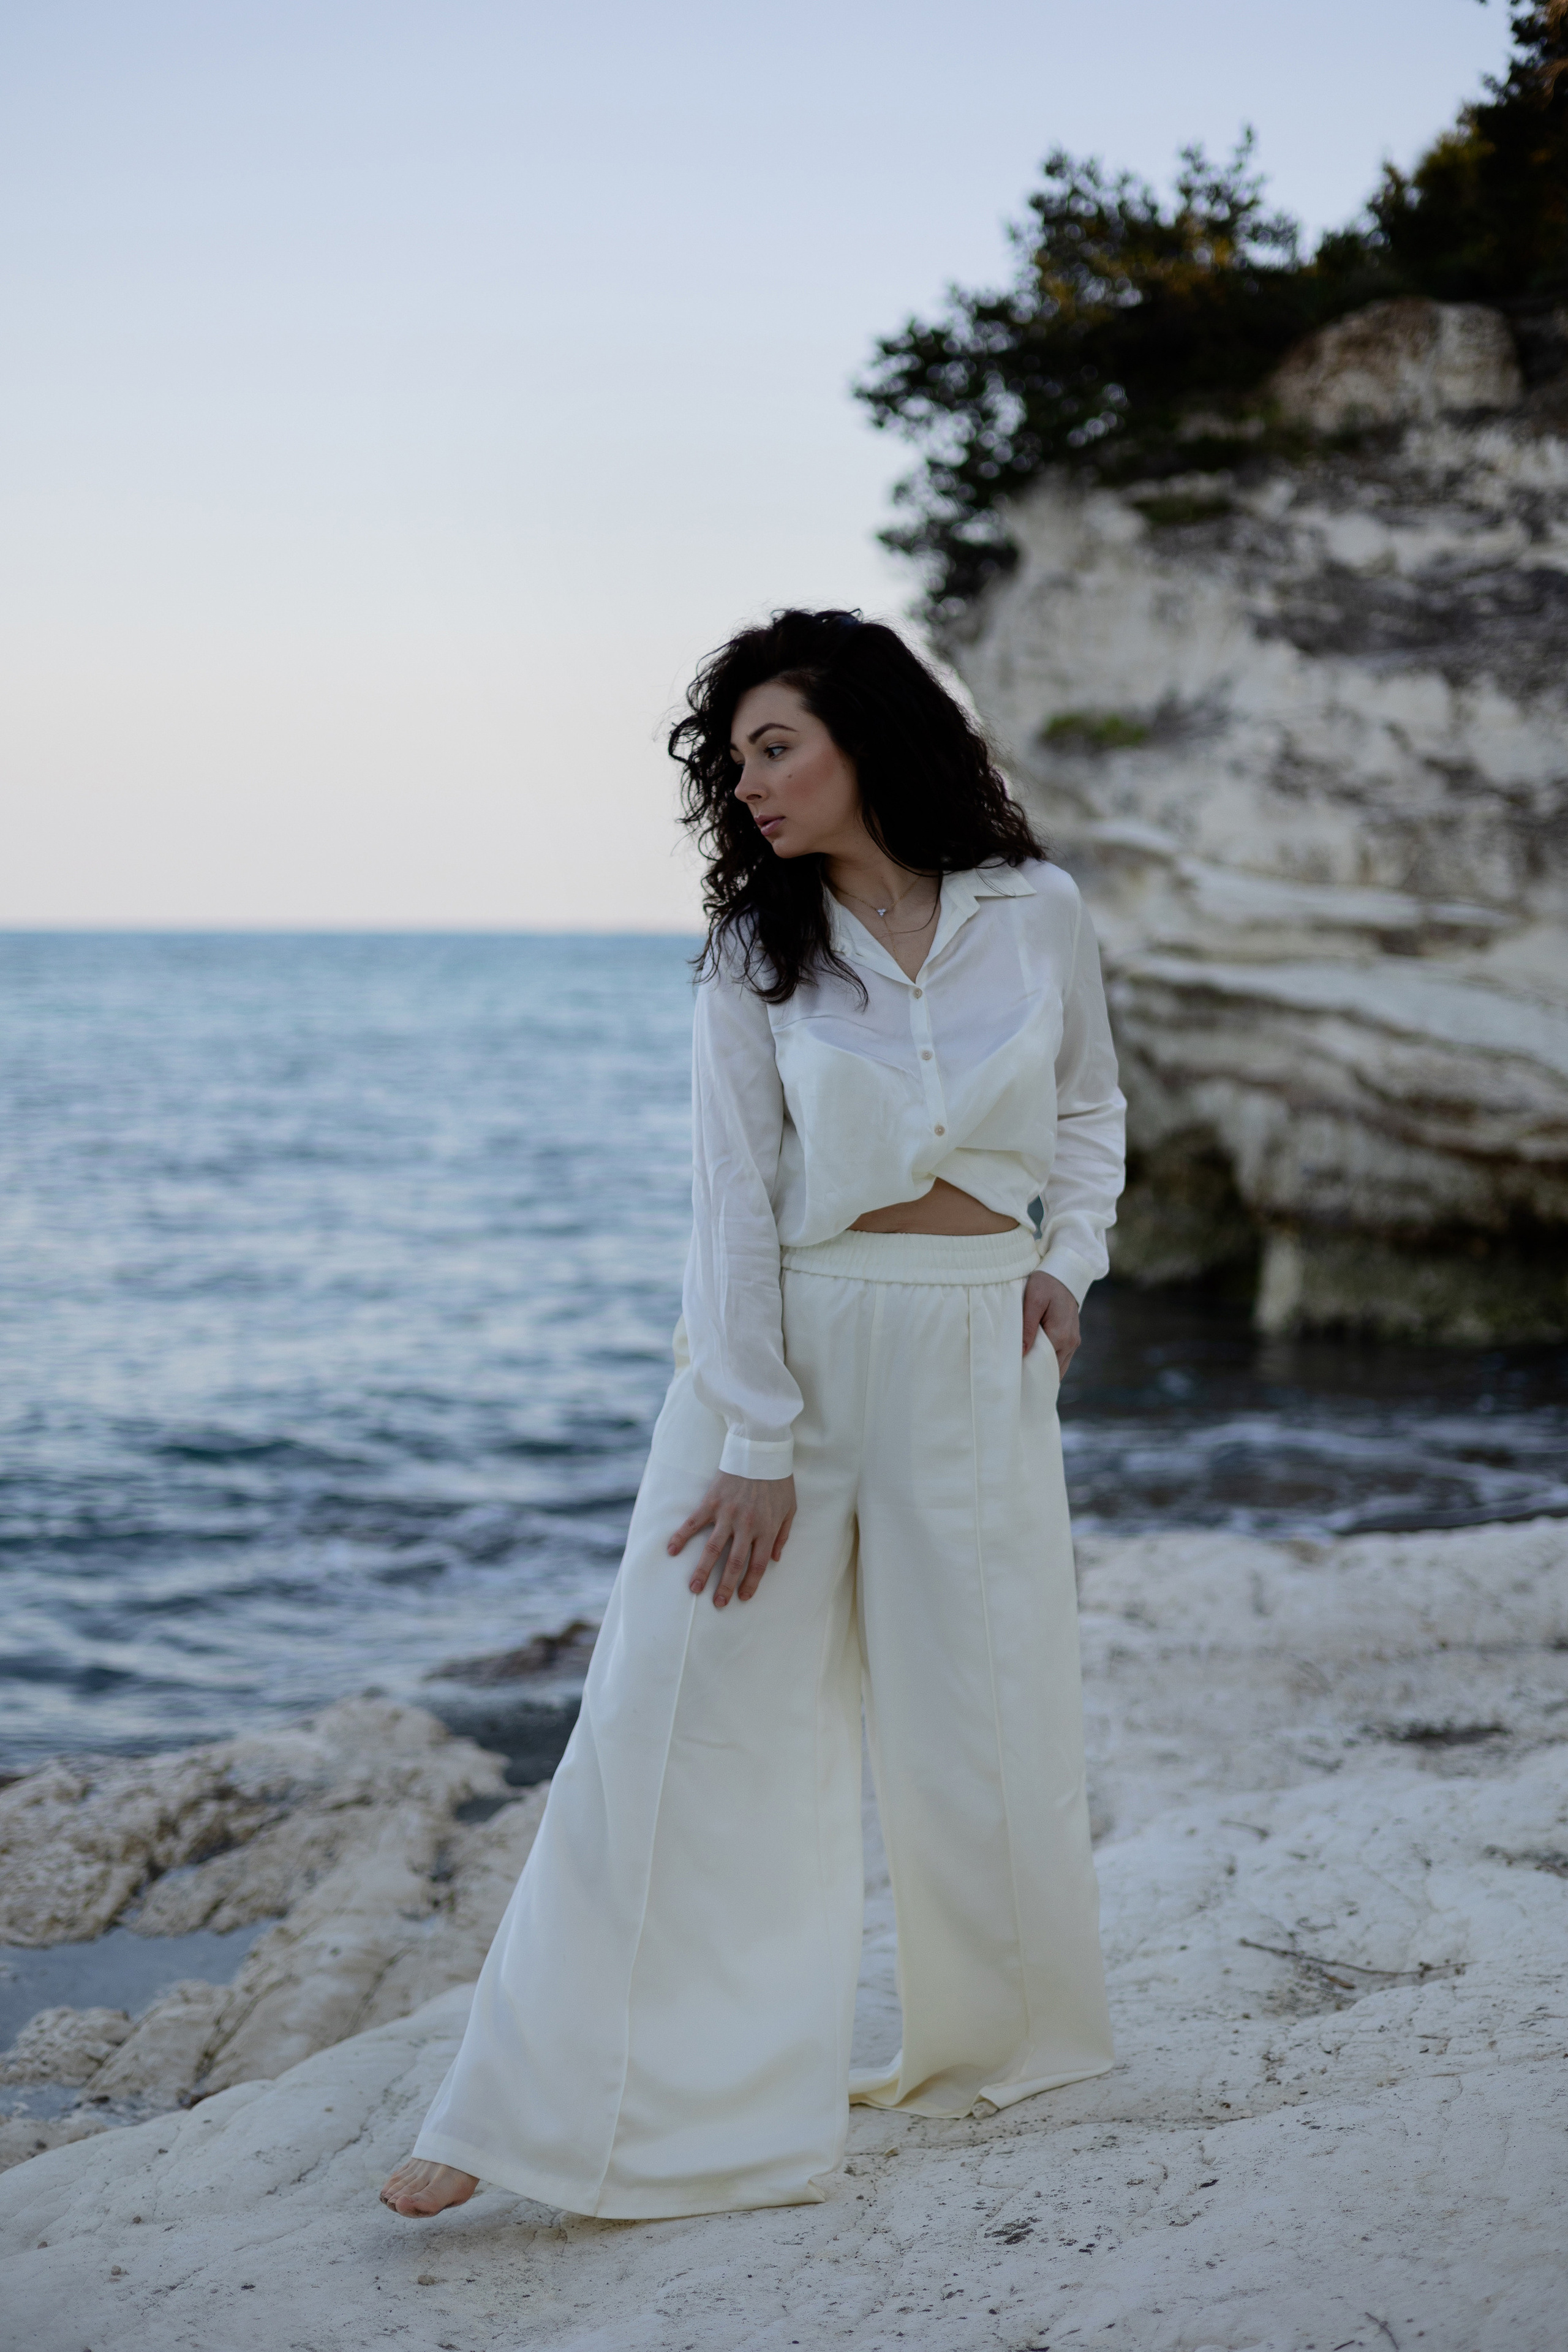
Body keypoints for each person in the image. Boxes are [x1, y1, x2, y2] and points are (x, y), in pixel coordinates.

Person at [380, 608, 1125, 2222]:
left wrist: (1070, 1263)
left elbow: (1088, 1107)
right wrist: (758, 1443)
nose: (749, 787)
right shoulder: (749, 958)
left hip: (980, 1355)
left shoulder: (1036, 913)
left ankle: (1004, 2045)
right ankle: (524, 2116)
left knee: (985, 1722)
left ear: (872, 734)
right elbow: (729, 1216)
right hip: (787, 1361)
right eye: (731, 767)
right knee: (675, 1716)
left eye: (773, 748)